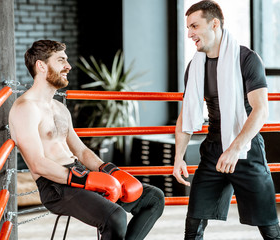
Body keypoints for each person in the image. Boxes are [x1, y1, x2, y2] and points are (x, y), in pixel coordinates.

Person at [9, 40, 165, 240]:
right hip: (56, 186)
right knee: (115, 217)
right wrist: (85, 180)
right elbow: (37, 164)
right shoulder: (25, 108)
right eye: (61, 60)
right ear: (41, 66)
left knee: (153, 198)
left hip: (77, 173)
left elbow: (81, 151)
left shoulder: (60, 109)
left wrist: (108, 170)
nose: (68, 66)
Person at [172, 1, 280, 239]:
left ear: (214, 23)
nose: (190, 33)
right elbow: (186, 113)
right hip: (213, 150)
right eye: (188, 27)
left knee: (270, 229)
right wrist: (178, 156)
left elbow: (261, 110)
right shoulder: (195, 66)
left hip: (246, 149)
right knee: (193, 227)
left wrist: (234, 149)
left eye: (194, 26)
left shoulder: (247, 59)